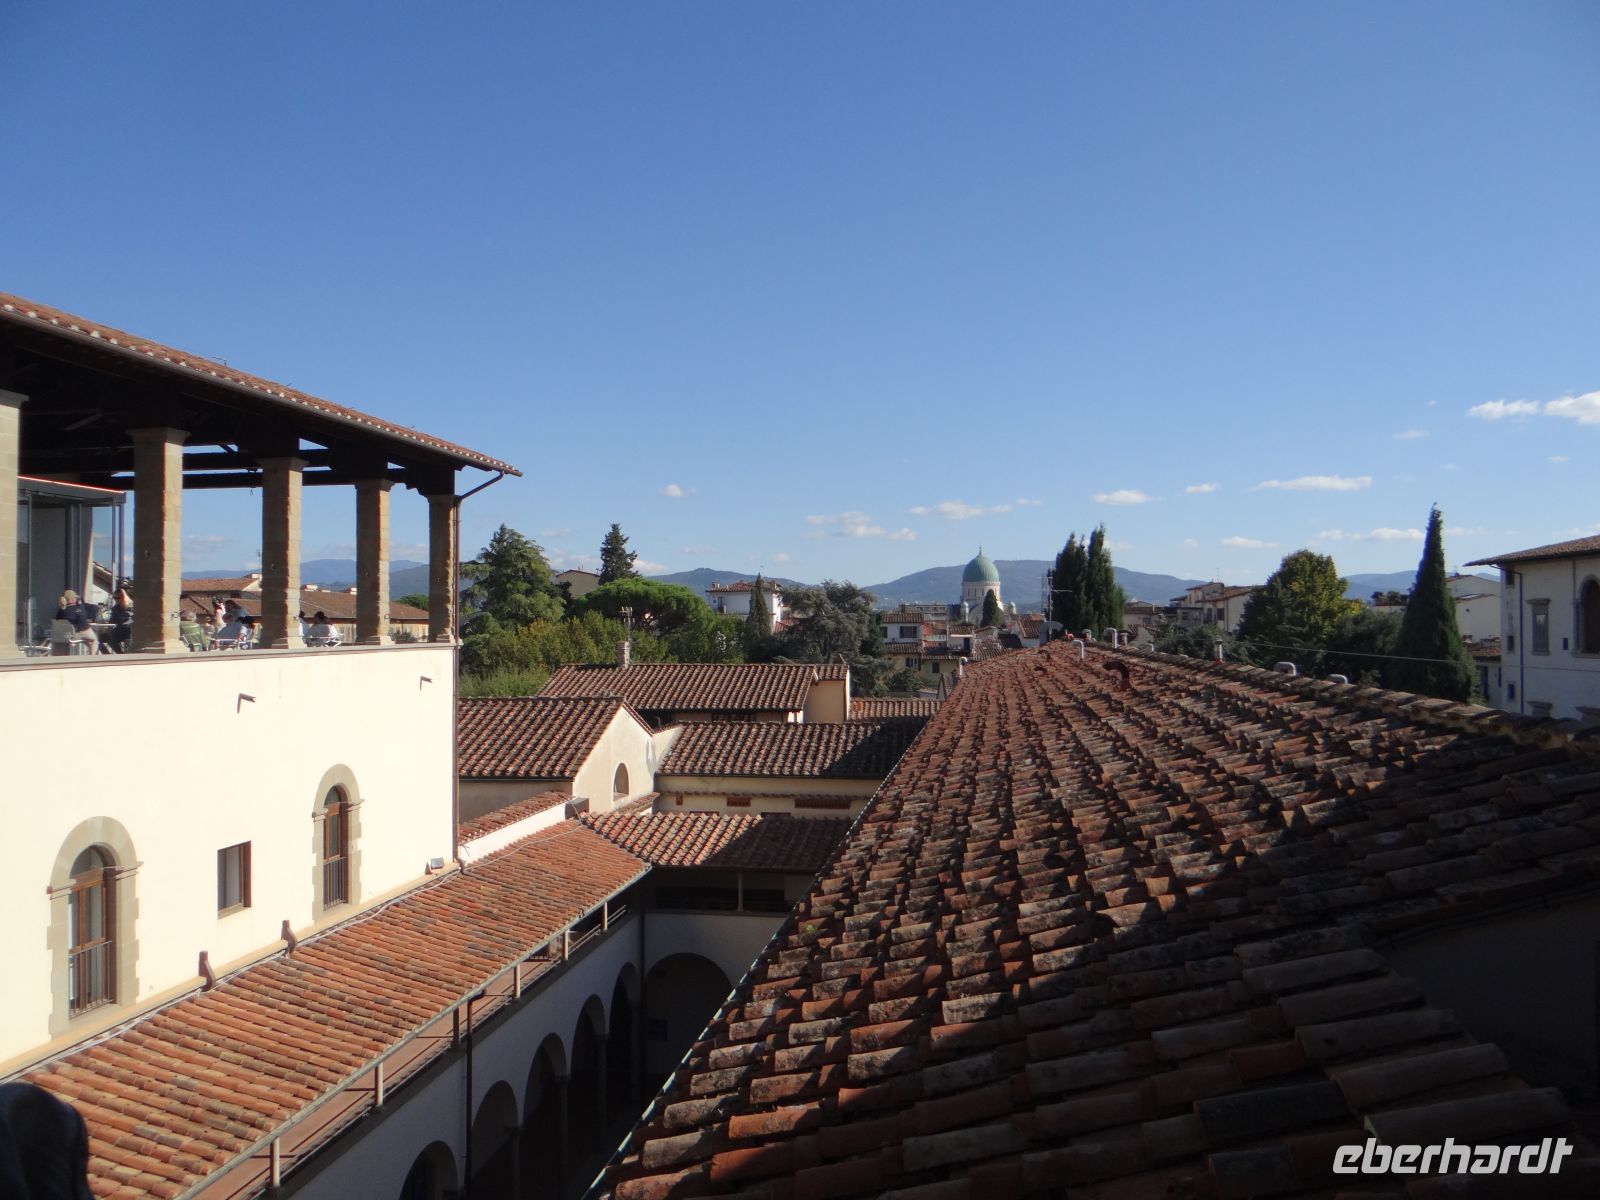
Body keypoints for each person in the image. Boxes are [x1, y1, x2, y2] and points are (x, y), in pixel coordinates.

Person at [104, 588, 133, 654]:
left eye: (118, 597)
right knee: (102, 638)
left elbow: (135, 618)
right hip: (120, 629)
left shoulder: (131, 606)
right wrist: (107, 624)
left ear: (123, 597)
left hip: (130, 630)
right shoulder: (115, 608)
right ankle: (120, 654)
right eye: (114, 598)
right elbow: (112, 620)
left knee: (112, 639)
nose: (116, 600)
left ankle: (122, 655)